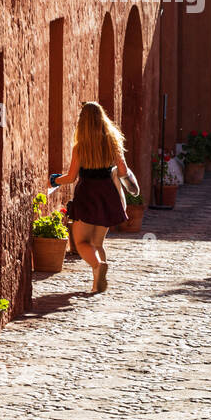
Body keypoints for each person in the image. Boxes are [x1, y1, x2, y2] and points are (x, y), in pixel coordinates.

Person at [49, 101, 139, 294]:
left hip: (87, 195)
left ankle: (98, 266)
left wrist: (55, 181)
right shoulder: (113, 142)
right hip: (108, 194)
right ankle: (97, 278)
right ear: (102, 119)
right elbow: (123, 171)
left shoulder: (80, 147)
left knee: (81, 242)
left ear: (83, 122)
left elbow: (71, 177)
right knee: (98, 243)